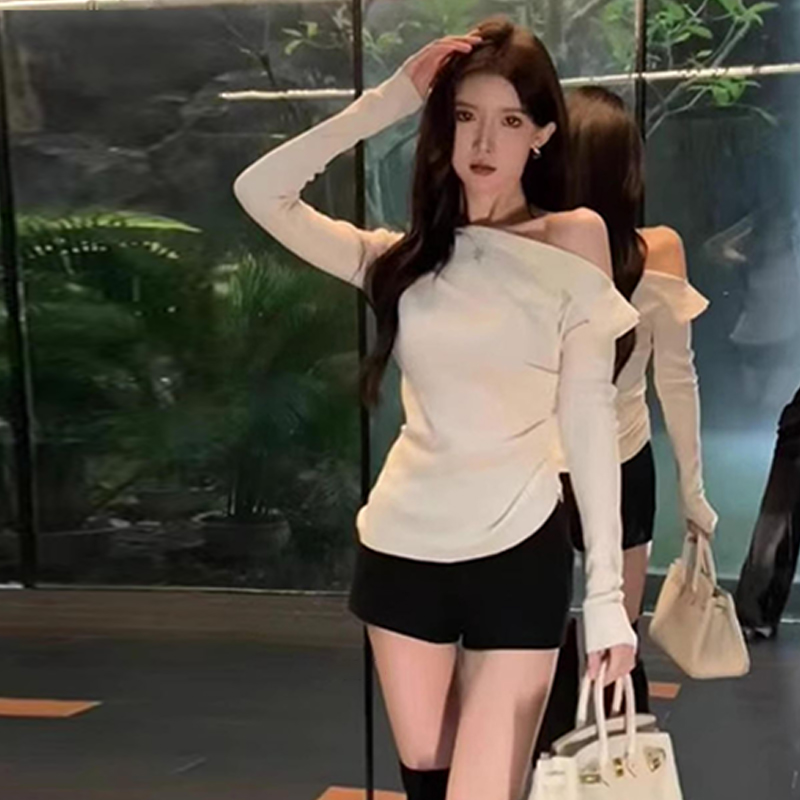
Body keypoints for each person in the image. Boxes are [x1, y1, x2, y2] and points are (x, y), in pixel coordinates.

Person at [234, 20, 636, 800]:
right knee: (427, 782)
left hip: (518, 552)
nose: (484, 141)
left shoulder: (572, 239)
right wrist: (387, 101)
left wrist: (607, 595)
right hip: (402, 548)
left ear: (542, 135)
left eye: (510, 120)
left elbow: (589, 416)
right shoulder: (402, 260)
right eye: (465, 116)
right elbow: (259, 192)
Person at [535, 85, 718, 758]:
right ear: (625, 168)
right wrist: (693, 491)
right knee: (616, 638)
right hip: (617, 461)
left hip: (545, 467)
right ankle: (613, 770)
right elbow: (677, 378)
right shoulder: (658, 250)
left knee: (538, 641)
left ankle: (547, 771)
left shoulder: (531, 246)